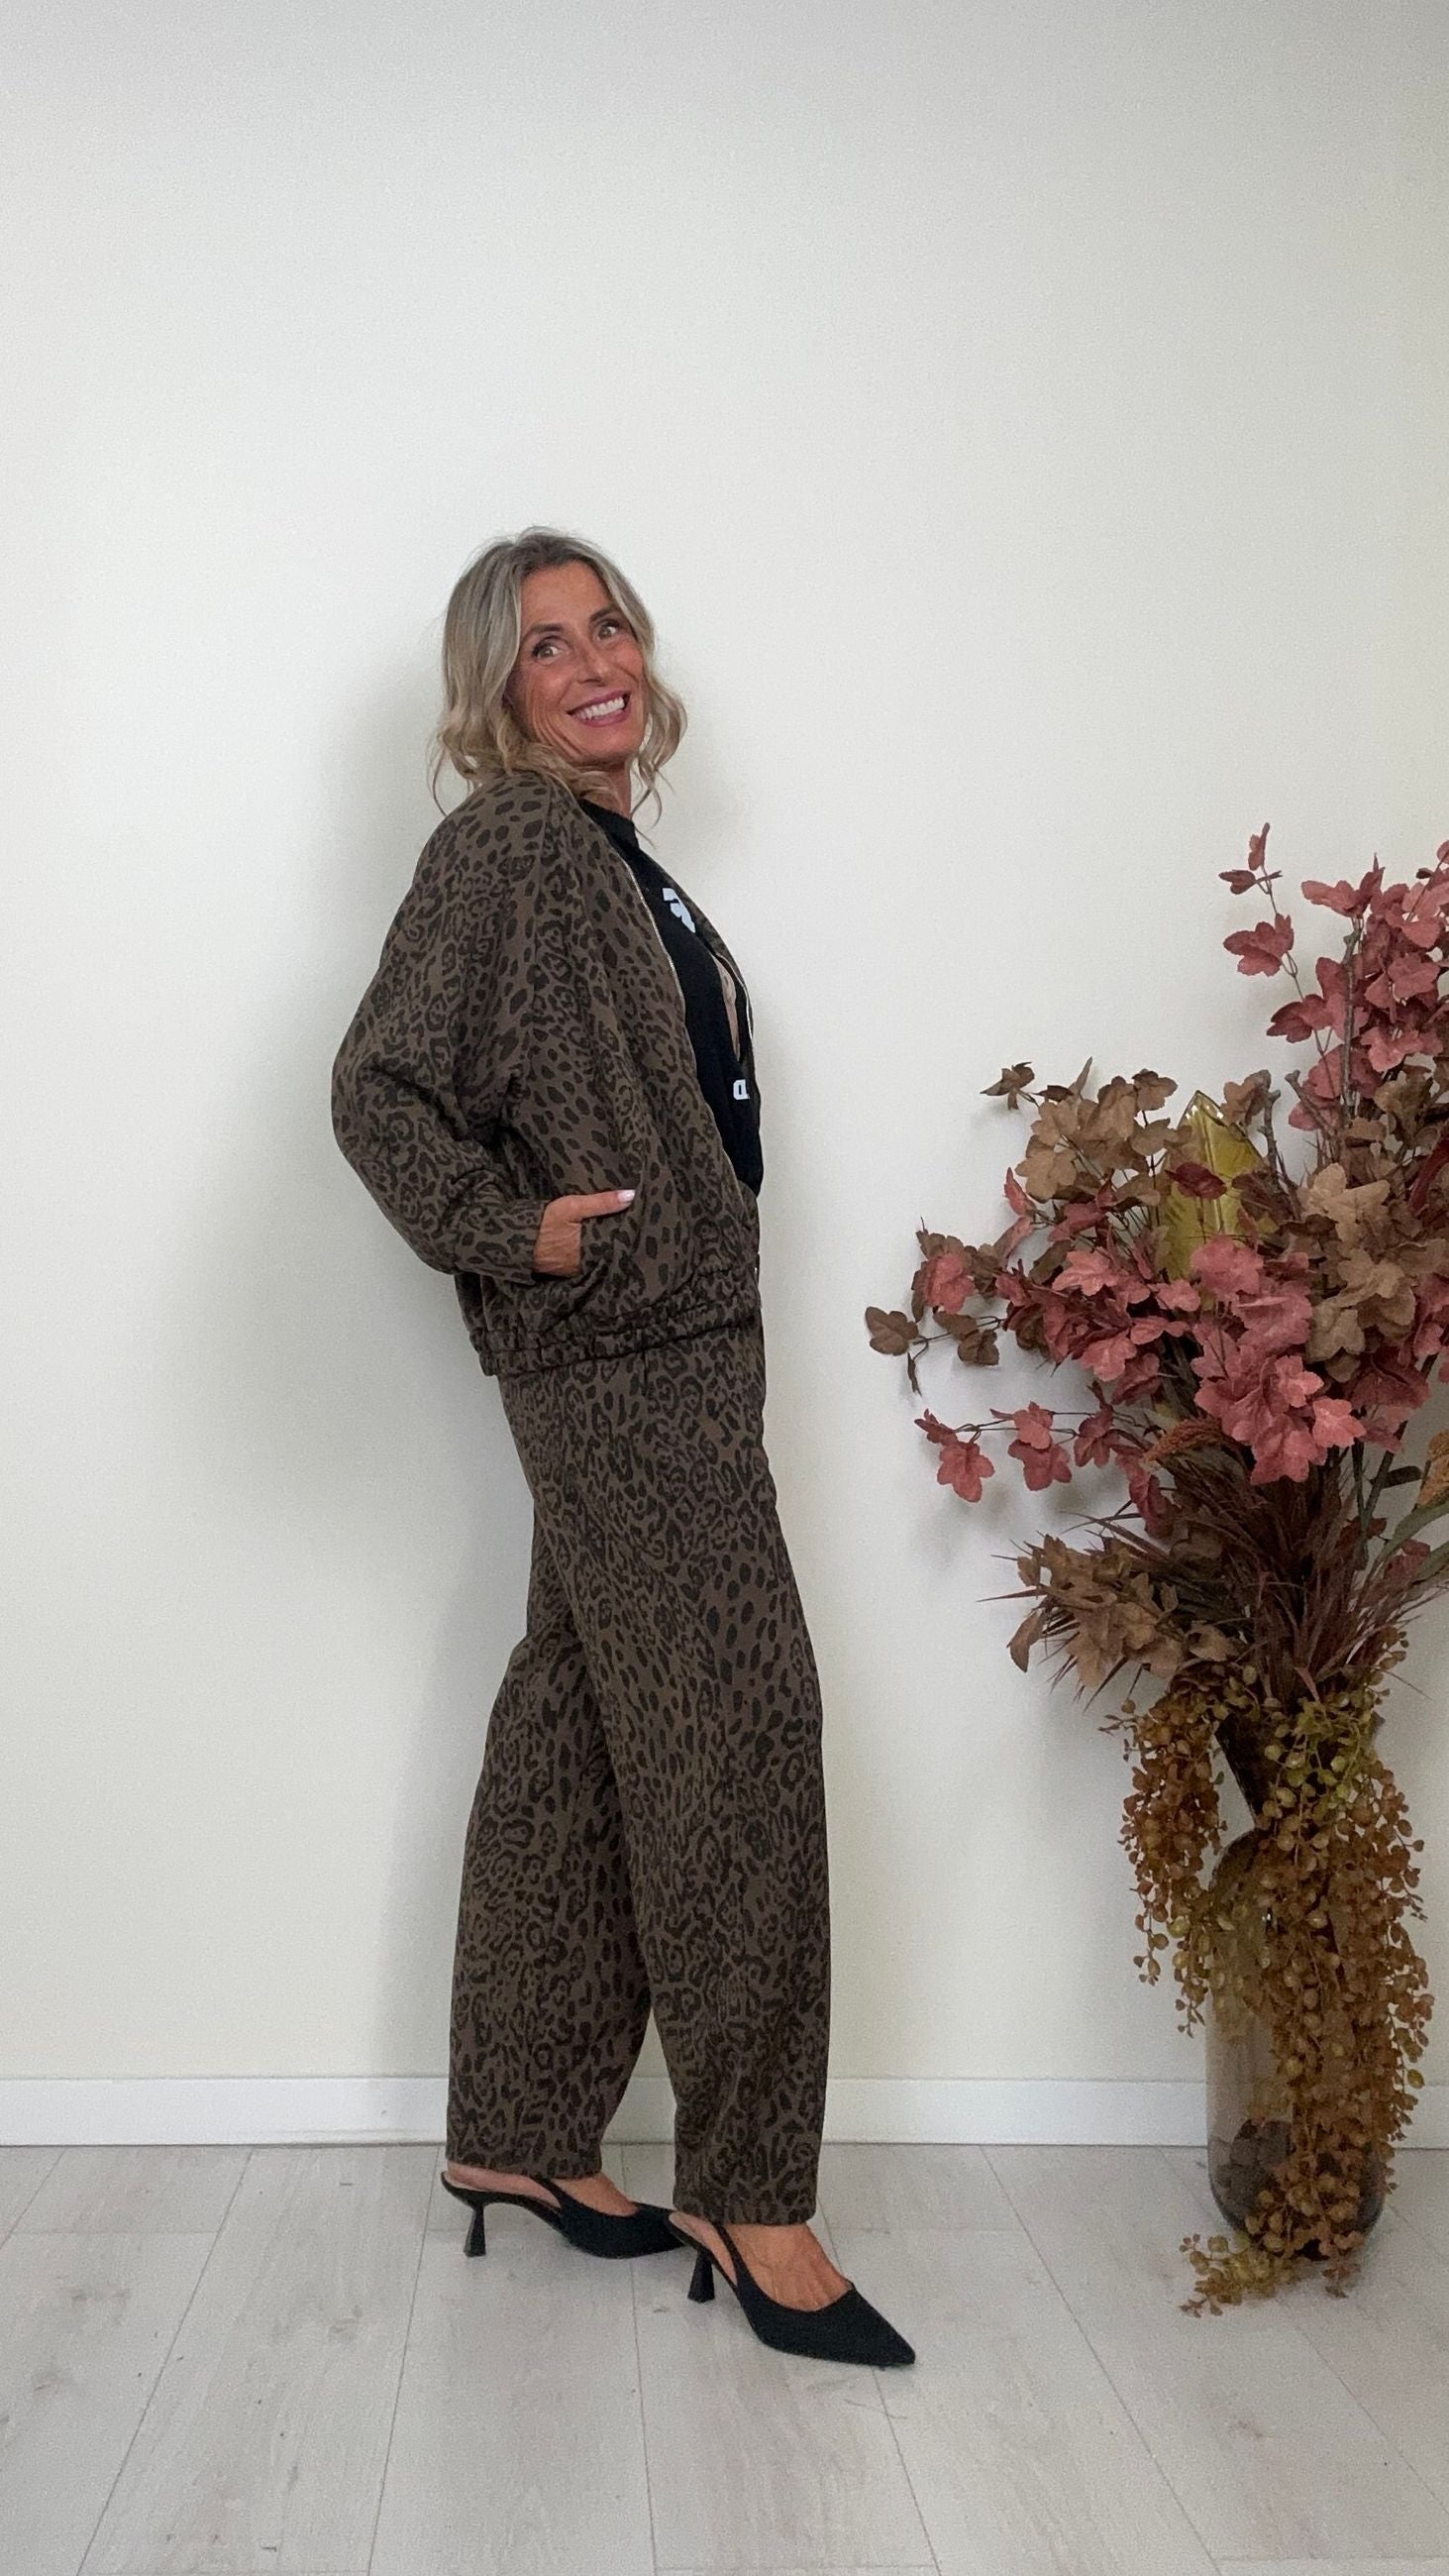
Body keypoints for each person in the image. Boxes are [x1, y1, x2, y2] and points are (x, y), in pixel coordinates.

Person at [330, 527, 913, 2367]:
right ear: (493, 688)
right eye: (546, 644)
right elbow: (377, 1087)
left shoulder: (608, 857)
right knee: (743, 1744)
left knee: (580, 1727)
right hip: (623, 1354)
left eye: (612, 627)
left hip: (669, 1346)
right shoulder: (511, 844)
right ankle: (756, 2195)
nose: (595, 663)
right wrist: (520, 1236)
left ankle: (517, 2129)